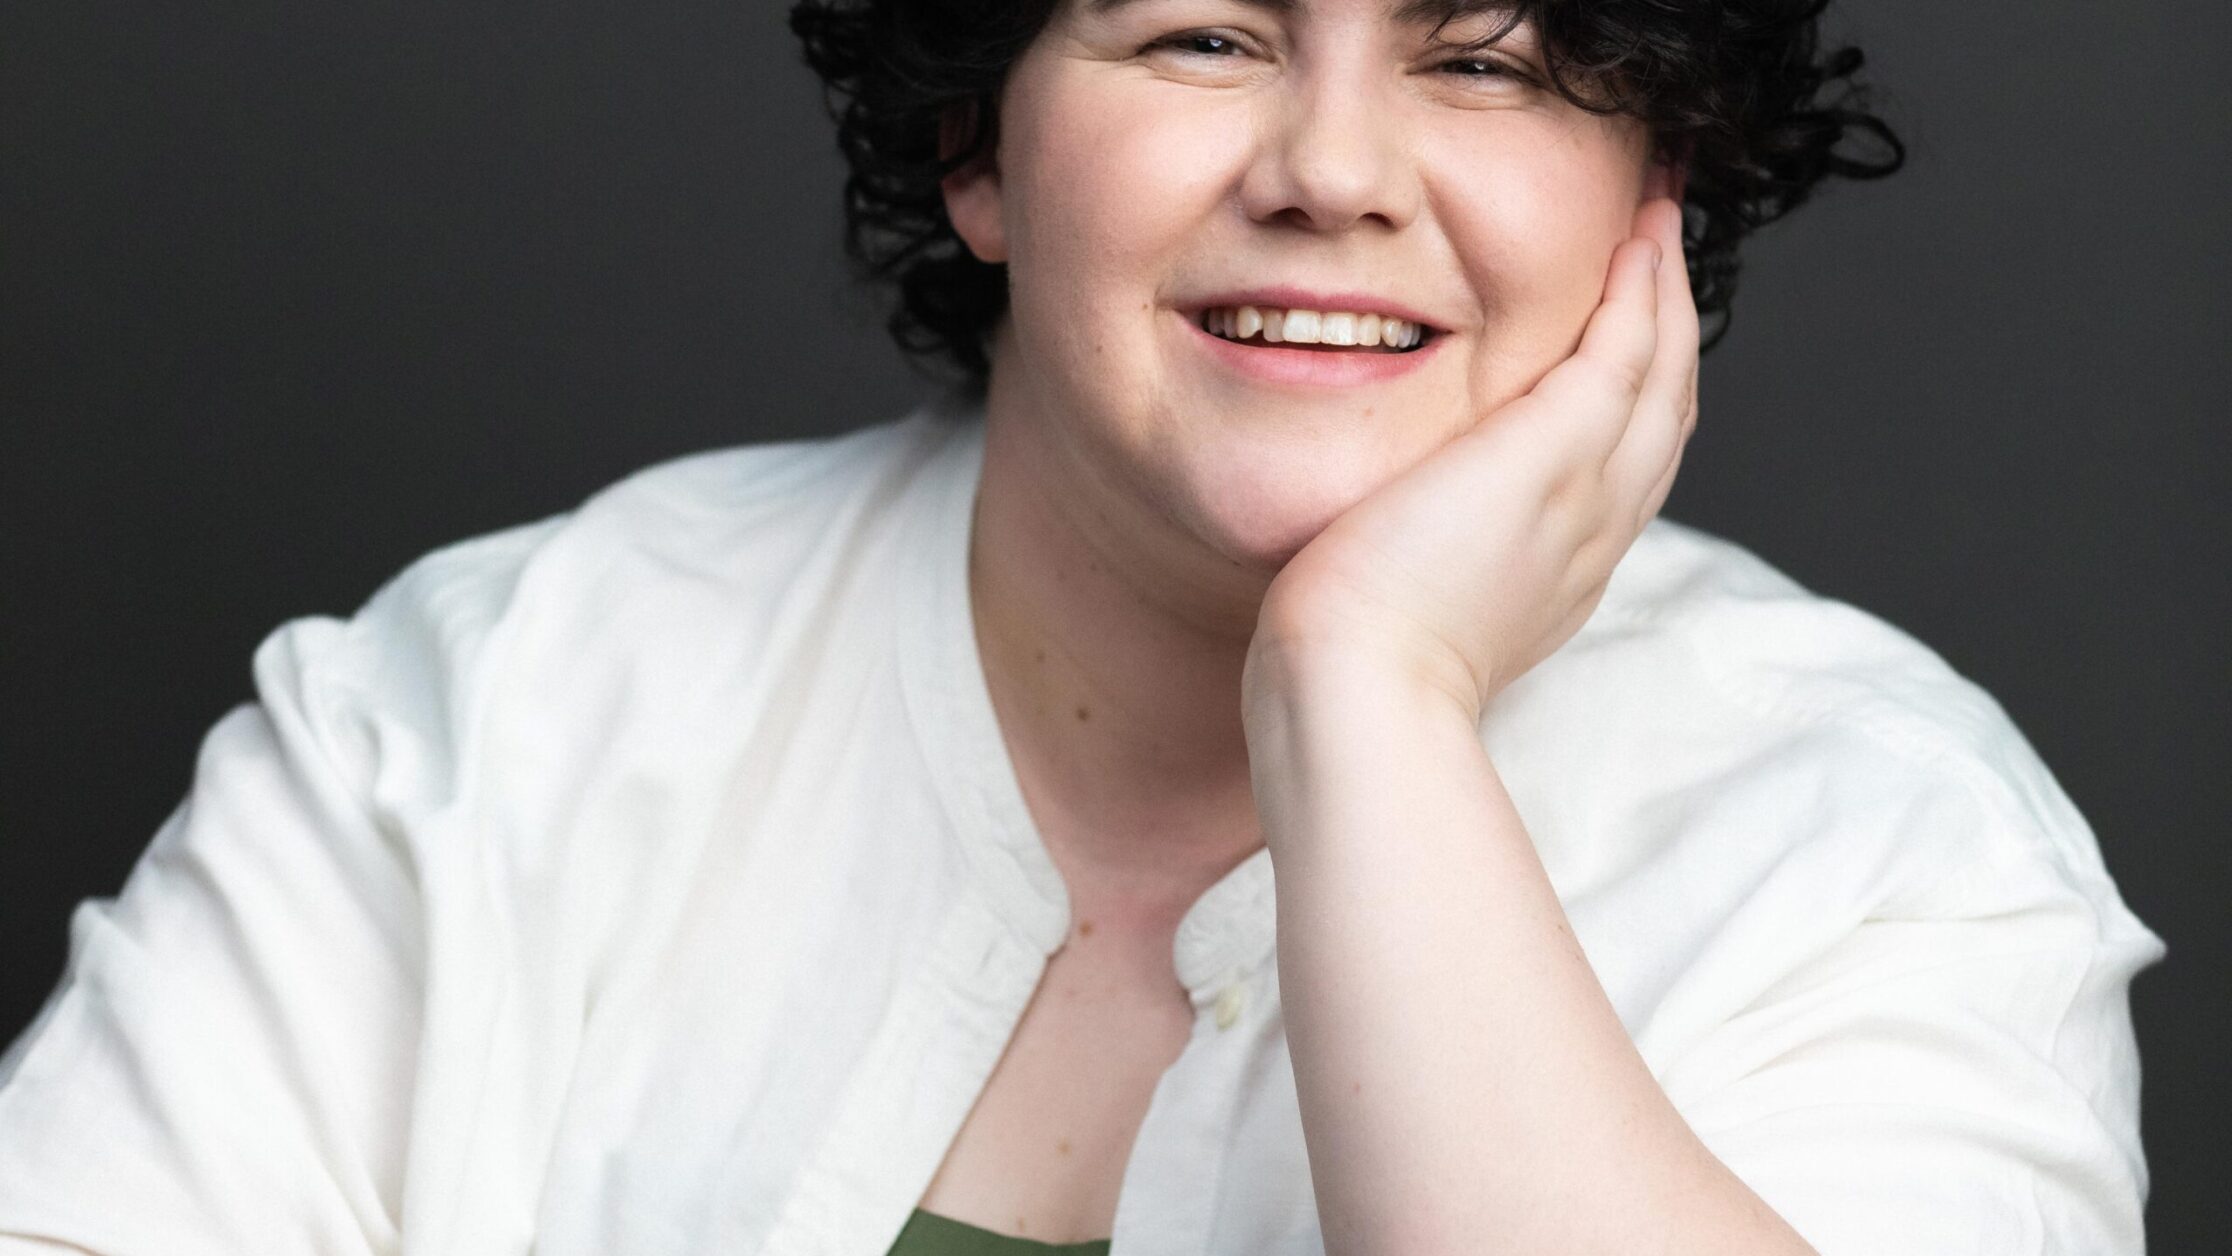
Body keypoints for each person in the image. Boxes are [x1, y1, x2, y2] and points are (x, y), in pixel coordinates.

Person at [0, 0, 2167, 1252]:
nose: (1334, 165)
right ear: (979, 142)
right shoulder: (483, 710)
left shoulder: (1887, 851)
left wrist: (1372, 696)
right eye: (1205, 30)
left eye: (1489, 56)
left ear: (1655, 193)